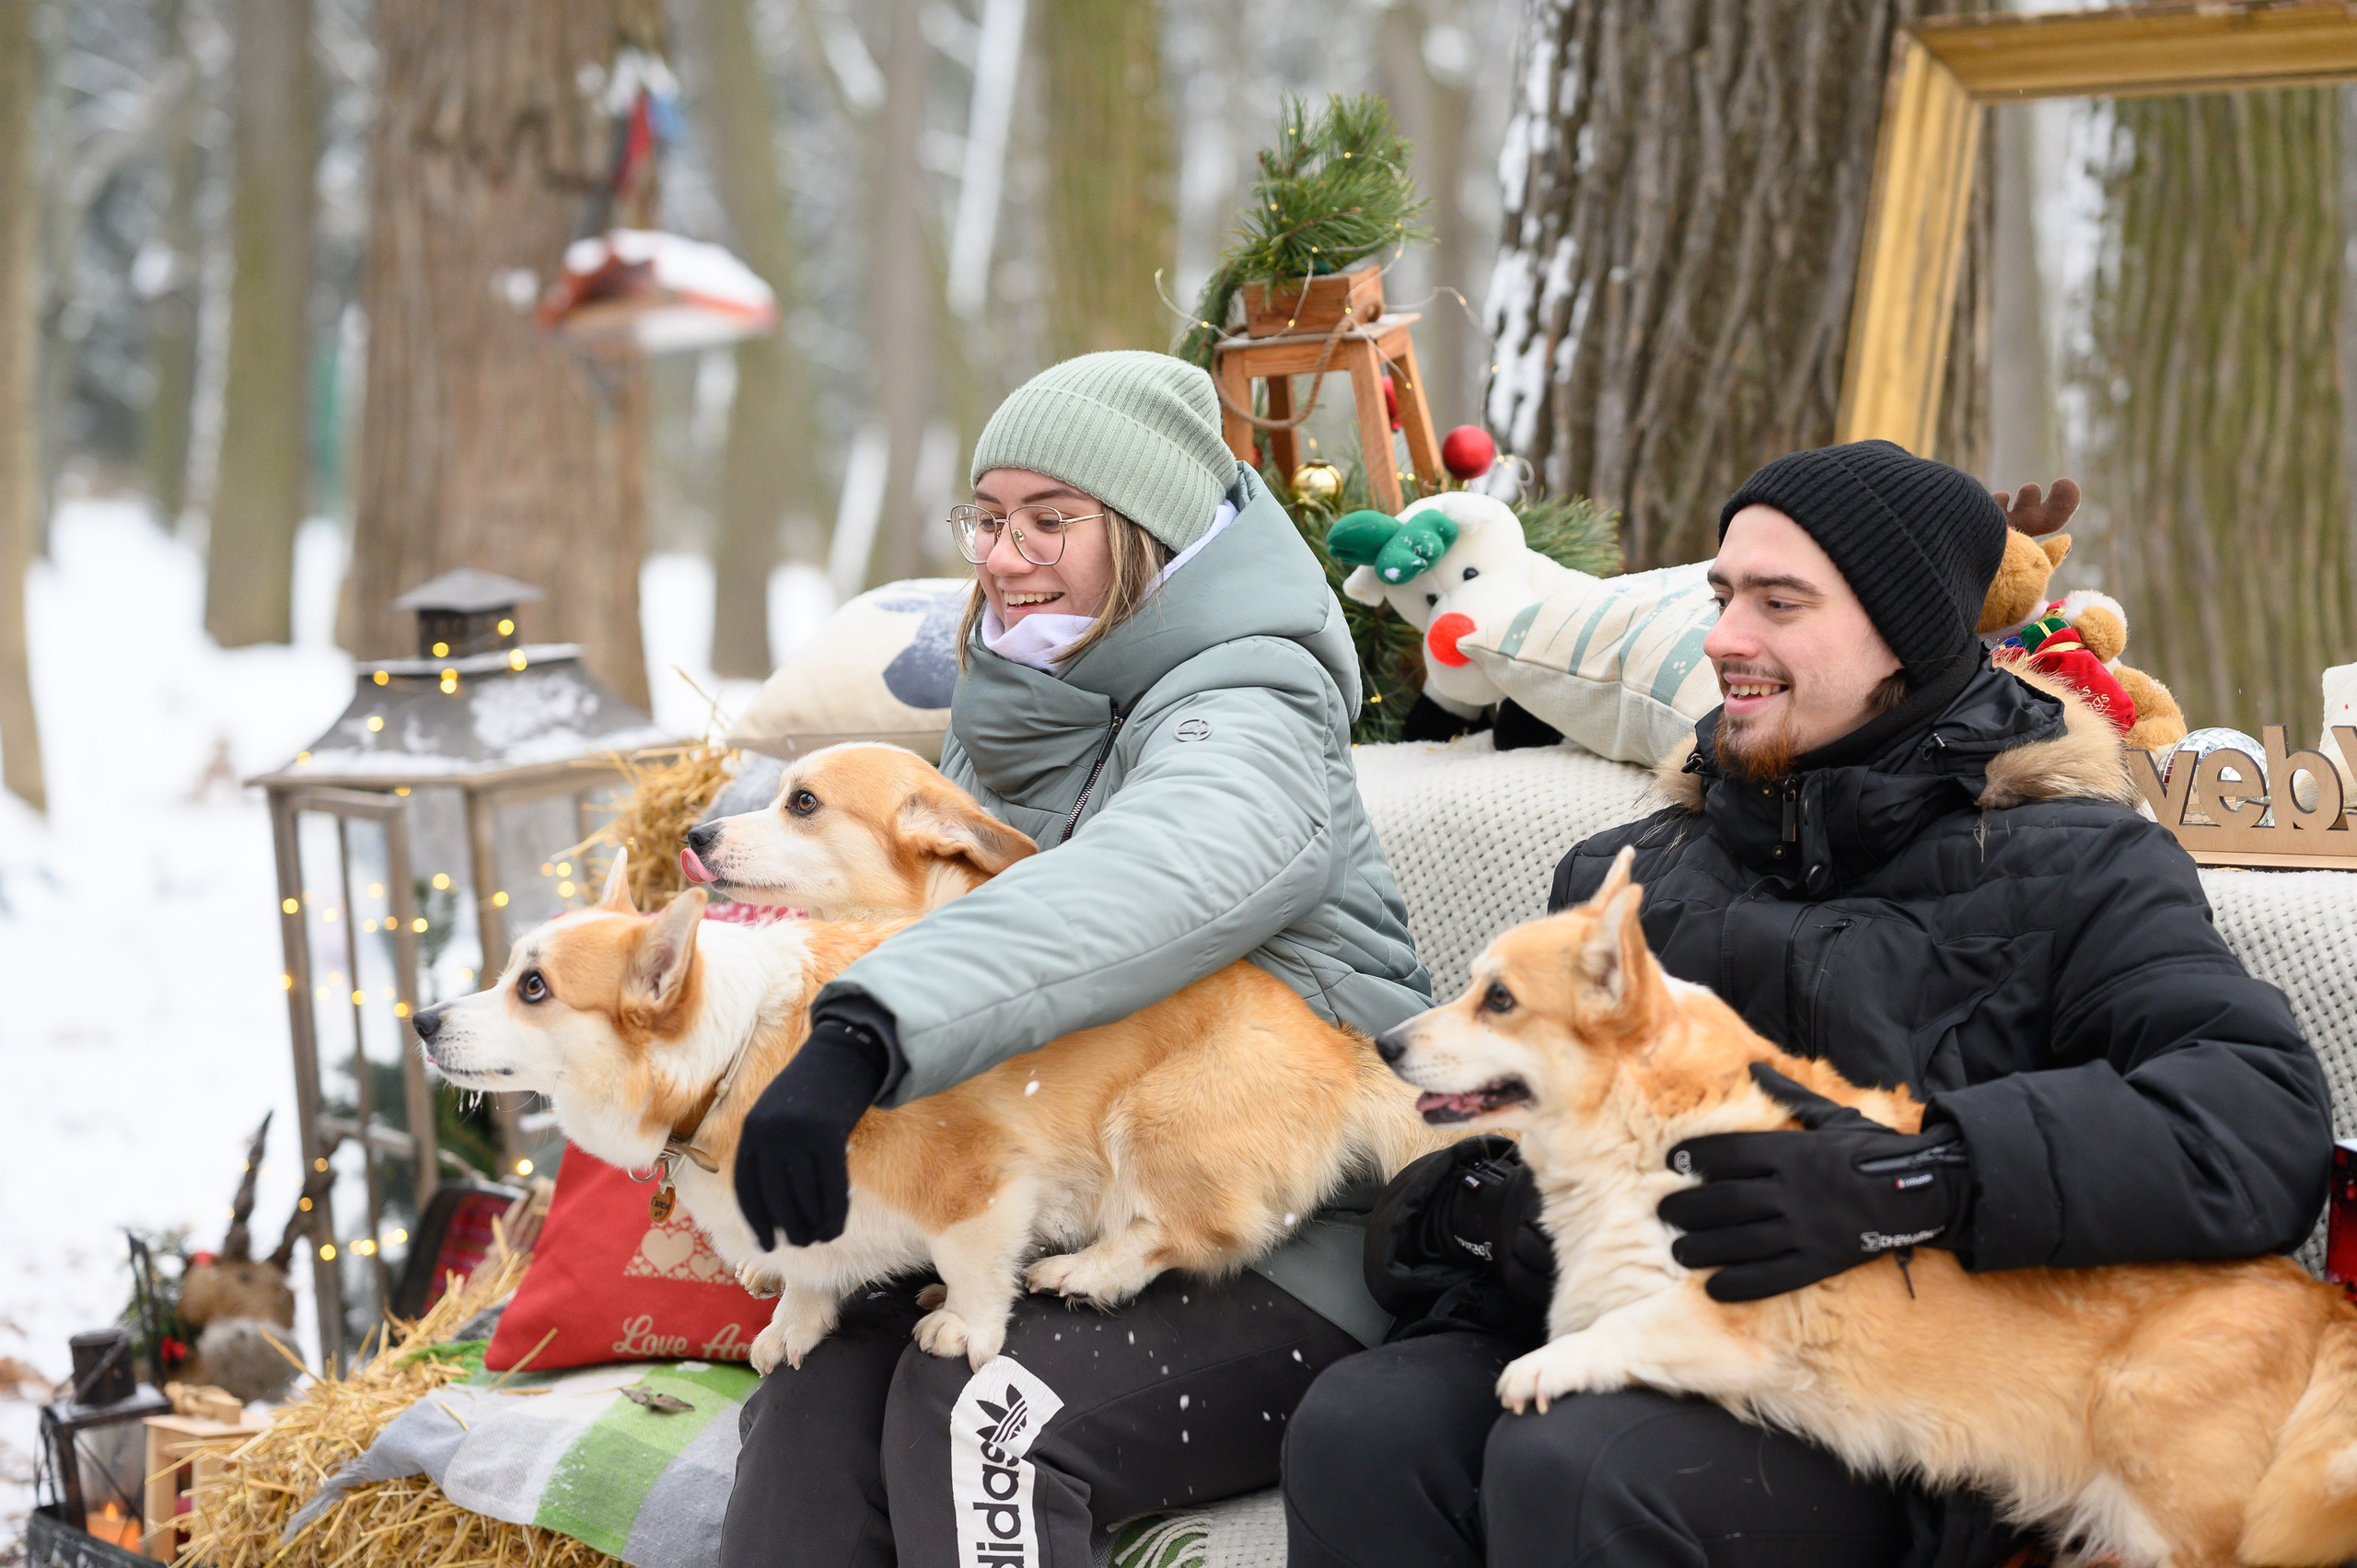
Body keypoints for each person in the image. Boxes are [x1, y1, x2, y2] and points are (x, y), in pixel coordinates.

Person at [1282, 440, 2333, 1568]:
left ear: (1907, 636)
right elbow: (1478, 1154)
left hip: (1903, 1396)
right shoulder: (1627, 875)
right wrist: (1489, 1216)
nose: (1727, 636)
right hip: (1663, 1332)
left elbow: (2255, 1123)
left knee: (1578, 1459)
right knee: (1361, 1426)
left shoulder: (2077, 866)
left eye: (1781, 602)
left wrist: (1924, 1175)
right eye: (1723, 596)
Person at [716, 350, 1431, 1568]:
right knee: (808, 1406)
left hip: (1290, 1232)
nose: (1003, 555)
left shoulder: (1254, 704)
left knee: (980, 1409)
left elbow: (1138, 884)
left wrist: (865, 1027)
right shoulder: (1025, 703)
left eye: (1052, 519)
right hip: (1058, 1198)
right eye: (989, 518)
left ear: (1149, 537)